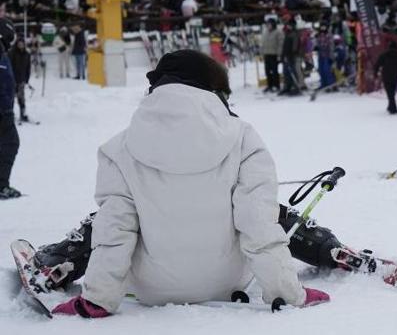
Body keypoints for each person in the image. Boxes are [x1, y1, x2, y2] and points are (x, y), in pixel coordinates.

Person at [46, 50, 329, 317]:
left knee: (102, 220)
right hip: (227, 282)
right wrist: (289, 293)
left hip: (150, 289)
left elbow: (115, 230)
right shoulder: (243, 137)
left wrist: (97, 299)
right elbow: (257, 222)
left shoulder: (118, 147)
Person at [0, 18, 20, 199]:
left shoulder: (3, 52)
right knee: (10, 144)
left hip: (5, 109)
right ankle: (1, 185)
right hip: (2, 111)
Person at [374, 41, 397, 114]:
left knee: (389, 93)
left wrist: (375, 74)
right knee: (392, 93)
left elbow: (377, 65)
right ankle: (390, 106)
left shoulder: (383, 55)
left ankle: (393, 109)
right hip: (395, 77)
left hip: (386, 76)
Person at [8, 39, 31, 122]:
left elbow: (28, 67)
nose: (21, 45)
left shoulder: (27, 54)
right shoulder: (12, 53)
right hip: (12, 80)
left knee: (21, 98)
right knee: (11, 98)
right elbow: (9, 66)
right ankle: (9, 115)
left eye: (22, 44)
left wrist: (27, 79)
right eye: (19, 44)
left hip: (21, 80)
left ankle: (23, 114)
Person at [260, 18, 283, 93]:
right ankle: (269, 85)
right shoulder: (265, 32)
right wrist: (261, 53)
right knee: (267, 71)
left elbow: (280, 44)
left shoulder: (278, 32)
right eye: (267, 24)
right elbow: (262, 43)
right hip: (267, 54)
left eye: (269, 24)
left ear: (273, 24)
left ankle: (276, 85)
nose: (268, 25)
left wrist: (279, 54)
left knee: (274, 71)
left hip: (274, 54)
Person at [279, 19, 301, 96]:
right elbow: (284, 46)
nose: (288, 26)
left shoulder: (294, 34)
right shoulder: (287, 33)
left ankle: (296, 87)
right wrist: (282, 55)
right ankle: (287, 86)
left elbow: (295, 46)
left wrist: (291, 54)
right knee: (286, 72)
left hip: (291, 56)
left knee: (293, 71)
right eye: (287, 25)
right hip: (286, 55)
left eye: (290, 25)